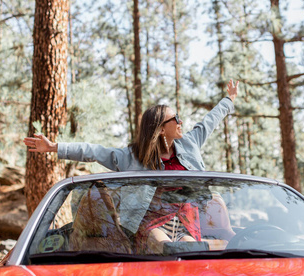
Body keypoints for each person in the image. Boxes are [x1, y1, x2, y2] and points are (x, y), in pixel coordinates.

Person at [24, 79, 239, 253]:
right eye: (176, 118)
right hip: (152, 224)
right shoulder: (132, 156)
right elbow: (94, 151)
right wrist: (54, 147)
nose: (181, 122)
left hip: (186, 222)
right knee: (168, 250)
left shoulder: (190, 144)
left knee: (192, 252)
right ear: (161, 129)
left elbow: (209, 122)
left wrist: (229, 100)